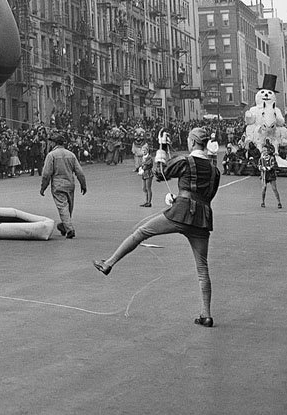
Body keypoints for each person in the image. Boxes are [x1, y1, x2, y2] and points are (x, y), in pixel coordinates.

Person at [93, 127, 220, 328]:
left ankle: (109, 263)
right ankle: (206, 314)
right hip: (202, 219)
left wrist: (161, 146)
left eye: (189, 140)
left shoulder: (186, 161)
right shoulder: (215, 169)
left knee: (141, 232)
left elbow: (160, 173)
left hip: (180, 213)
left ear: (193, 142)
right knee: (202, 268)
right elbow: (207, 196)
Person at [39, 130, 87, 239]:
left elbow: (46, 174)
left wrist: (43, 188)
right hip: (70, 184)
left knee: (63, 207)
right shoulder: (71, 155)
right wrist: (83, 184)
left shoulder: (51, 155)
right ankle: (64, 226)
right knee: (69, 207)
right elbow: (79, 172)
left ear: (53, 143)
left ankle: (69, 229)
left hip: (58, 185)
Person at [139, 143, 154, 208]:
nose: (144, 151)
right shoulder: (143, 157)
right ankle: (146, 201)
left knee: (148, 188)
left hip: (148, 173)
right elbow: (142, 165)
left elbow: (146, 165)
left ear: (147, 151)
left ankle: (149, 202)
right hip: (144, 174)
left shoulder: (149, 157)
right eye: (143, 150)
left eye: (145, 150)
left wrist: (142, 169)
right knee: (144, 188)